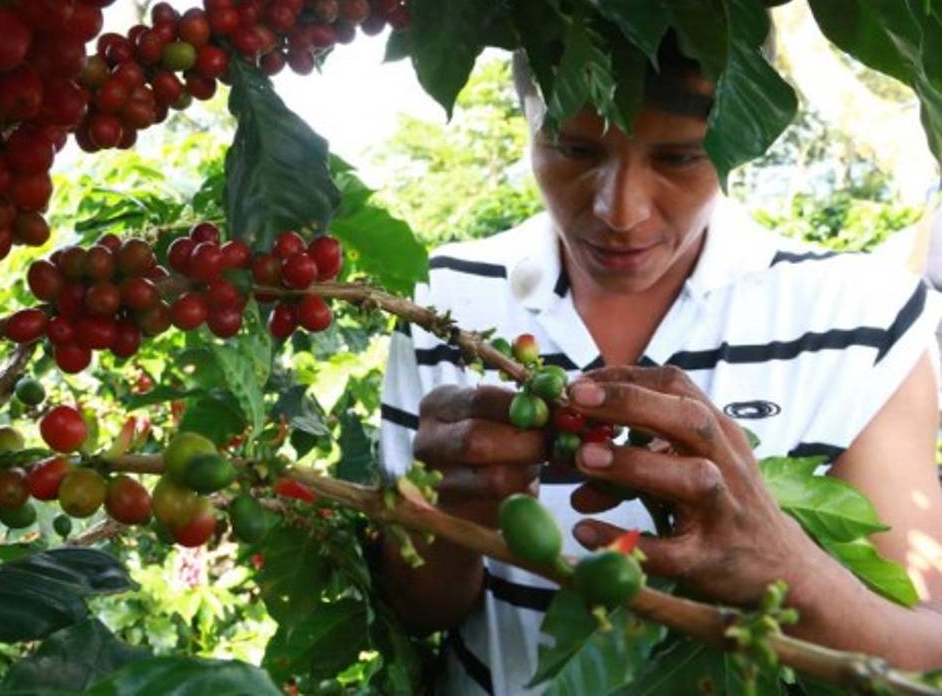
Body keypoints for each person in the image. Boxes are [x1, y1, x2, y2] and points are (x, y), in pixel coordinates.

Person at [375, 35, 942, 695]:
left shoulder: (863, 317)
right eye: (576, 149)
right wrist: (458, 513)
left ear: (738, 141)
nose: (621, 212)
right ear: (527, 122)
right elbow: (412, 609)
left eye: (679, 157)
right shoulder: (444, 300)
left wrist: (791, 571)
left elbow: (927, 644)